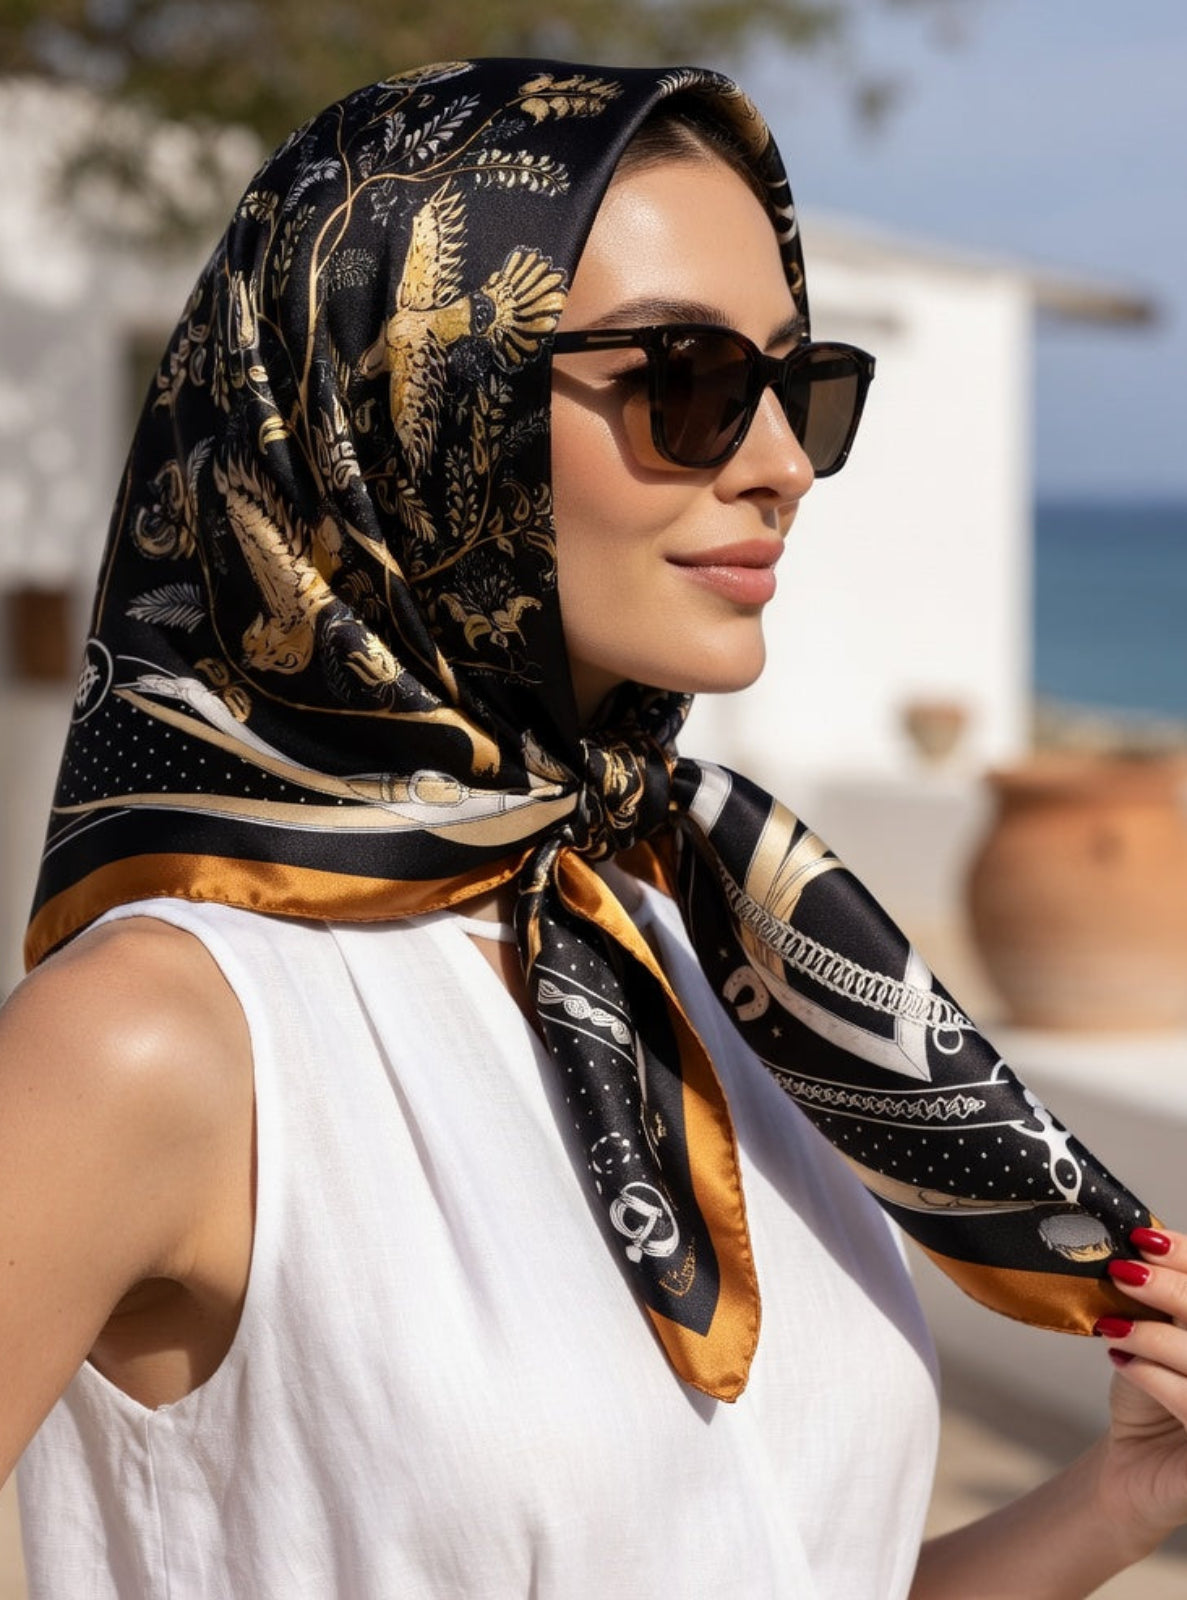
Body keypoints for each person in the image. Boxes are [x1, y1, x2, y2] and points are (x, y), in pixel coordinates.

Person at [2, 56, 1186, 1599]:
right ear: (412, 405)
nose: (778, 466)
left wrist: (1114, 1503)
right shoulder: (158, 1038)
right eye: (687, 385)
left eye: (797, 385)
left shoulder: (711, 956)